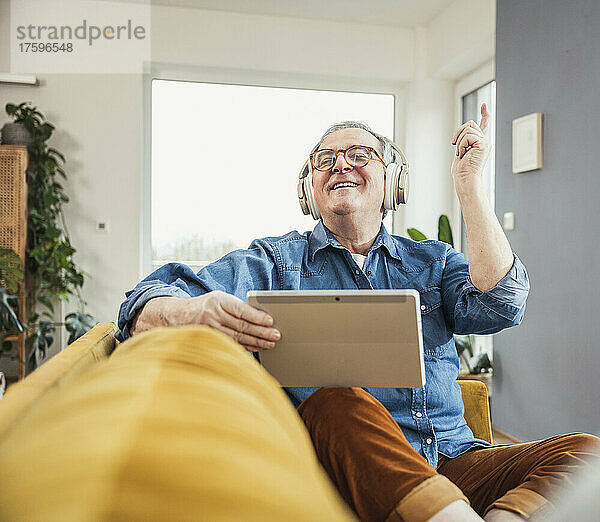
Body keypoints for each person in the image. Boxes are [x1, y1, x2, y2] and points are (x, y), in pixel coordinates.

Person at [116, 105, 599, 521]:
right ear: (310, 190)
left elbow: (503, 303)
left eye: (359, 155)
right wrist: (191, 311)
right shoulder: (272, 262)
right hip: (345, 472)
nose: (339, 164)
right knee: (335, 400)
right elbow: (142, 303)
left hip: (452, 462)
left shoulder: (430, 262)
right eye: (324, 160)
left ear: (392, 182)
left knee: (587, 454)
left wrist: (470, 187)